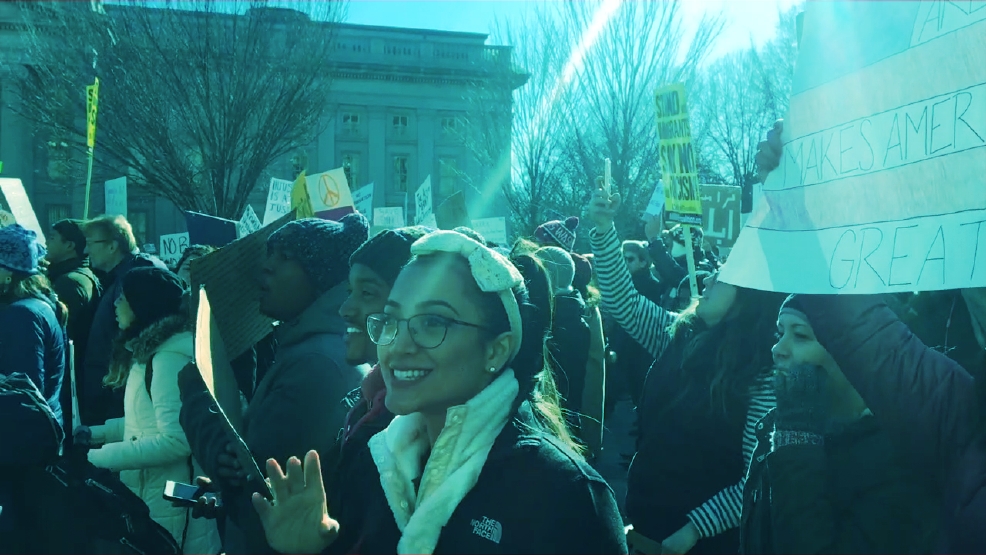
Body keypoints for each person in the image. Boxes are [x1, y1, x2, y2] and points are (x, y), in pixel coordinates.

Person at [251, 230, 627, 555]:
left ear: (496, 349)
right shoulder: (373, 462)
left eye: (433, 322)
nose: (398, 345)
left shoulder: (566, 494)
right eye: (393, 319)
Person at [589, 188, 784, 554]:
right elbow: (622, 301)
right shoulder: (677, 334)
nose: (708, 281)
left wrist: (694, 530)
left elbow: (756, 475)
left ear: (749, 299)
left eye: (721, 277)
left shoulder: (763, 374)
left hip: (702, 544)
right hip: (647, 527)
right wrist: (603, 229)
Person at [178, 213, 369, 554]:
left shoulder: (313, 365)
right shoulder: (321, 348)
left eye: (284, 258)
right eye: (268, 255)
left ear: (319, 275)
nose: (265, 268)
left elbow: (257, 498)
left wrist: (195, 388)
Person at [739, 296, 938, 553]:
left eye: (800, 336)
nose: (778, 348)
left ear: (858, 355)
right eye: (780, 333)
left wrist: (798, 437)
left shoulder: (902, 456)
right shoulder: (783, 424)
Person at [79, 267, 220, 554]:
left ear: (143, 303)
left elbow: (177, 440)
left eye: (123, 298)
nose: (116, 305)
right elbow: (142, 423)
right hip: (152, 498)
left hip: (171, 507)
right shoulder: (148, 353)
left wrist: (96, 458)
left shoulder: (167, 358)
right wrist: (94, 434)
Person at [81, 215, 167, 426]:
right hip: (117, 390)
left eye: (91, 243)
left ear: (112, 246)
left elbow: (138, 334)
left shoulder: (136, 275)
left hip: (119, 396)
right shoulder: (129, 272)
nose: (85, 250)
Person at [0, 223, 67, 439]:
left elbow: (24, 391)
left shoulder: (22, 315)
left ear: (8, 271)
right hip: (35, 434)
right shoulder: (40, 304)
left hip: (21, 443)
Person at [45, 218, 101, 436]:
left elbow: (56, 333)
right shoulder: (74, 276)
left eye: (51, 238)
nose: (46, 243)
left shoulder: (70, 282)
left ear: (69, 245)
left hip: (69, 378)